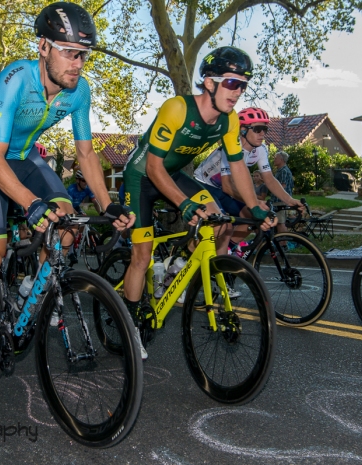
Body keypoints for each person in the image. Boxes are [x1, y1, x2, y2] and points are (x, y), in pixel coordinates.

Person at [0, 2, 133, 388]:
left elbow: (86, 153)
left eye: (83, 55)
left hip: (25, 157)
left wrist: (108, 204)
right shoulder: (15, 79)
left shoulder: (79, 92)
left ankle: (31, 287)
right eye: (69, 53)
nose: (77, 63)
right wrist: (30, 203)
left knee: (68, 222)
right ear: (43, 47)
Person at [121, 47, 276, 360]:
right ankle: (130, 325)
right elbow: (153, 167)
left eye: (243, 85)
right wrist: (183, 204)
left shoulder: (229, 121)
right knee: (141, 255)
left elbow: (238, 167)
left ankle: (179, 262)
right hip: (142, 177)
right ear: (210, 82)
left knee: (220, 222)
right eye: (232, 83)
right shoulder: (177, 108)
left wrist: (255, 207)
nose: (238, 92)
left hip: (173, 175)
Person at [194, 107, 302, 247]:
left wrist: (289, 200)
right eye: (257, 129)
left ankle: (227, 253)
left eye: (265, 129)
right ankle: (191, 255)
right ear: (243, 130)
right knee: (222, 226)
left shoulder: (261, 149)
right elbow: (227, 186)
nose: (262, 134)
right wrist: (255, 201)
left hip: (224, 189)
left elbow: (269, 179)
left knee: (253, 217)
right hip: (206, 185)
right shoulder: (231, 147)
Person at [270, 150, 295, 234]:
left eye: (276, 158)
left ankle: (283, 244)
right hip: (277, 200)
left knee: (281, 223)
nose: (274, 160)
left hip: (280, 201)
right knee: (279, 223)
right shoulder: (279, 170)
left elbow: (283, 186)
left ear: (281, 160)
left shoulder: (283, 171)